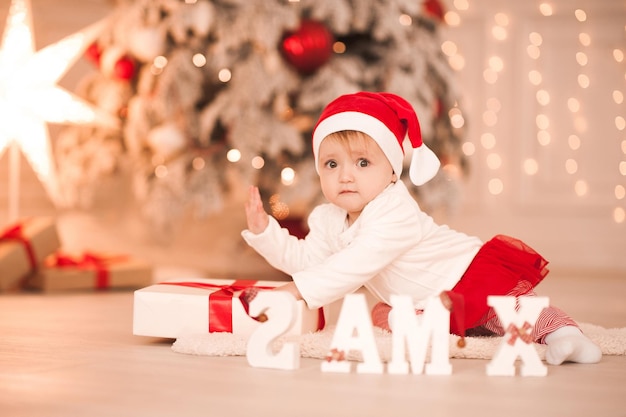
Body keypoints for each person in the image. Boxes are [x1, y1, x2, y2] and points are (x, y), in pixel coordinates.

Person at [241, 91, 602, 366]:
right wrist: (265, 234)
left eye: (362, 162)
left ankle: (567, 335)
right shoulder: (328, 218)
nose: (345, 175)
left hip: (463, 274)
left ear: (392, 171)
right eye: (331, 164)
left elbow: (355, 265)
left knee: (514, 309)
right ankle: (443, 321)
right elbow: (310, 262)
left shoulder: (395, 211)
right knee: (386, 316)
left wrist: (295, 292)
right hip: (426, 301)